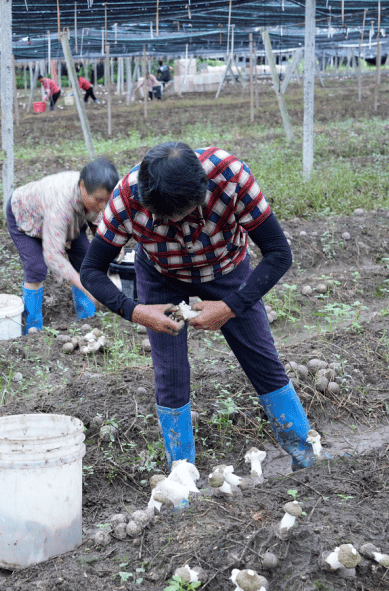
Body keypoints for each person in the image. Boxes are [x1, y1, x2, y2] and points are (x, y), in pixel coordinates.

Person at [80, 142, 319, 471]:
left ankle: (306, 457)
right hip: (161, 277)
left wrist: (230, 306)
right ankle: (182, 476)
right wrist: (136, 311)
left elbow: (279, 252)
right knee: (170, 374)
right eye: (166, 219)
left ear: (201, 192)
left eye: (184, 215)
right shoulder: (126, 198)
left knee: (262, 359)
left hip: (225, 271)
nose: (177, 225)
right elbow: (91, 271)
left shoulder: (231, 180)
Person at [8, 158, 119, 334]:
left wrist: (110, 259)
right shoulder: (60, 204)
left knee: (85, 260)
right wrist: (86, 287)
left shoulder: (96, 195)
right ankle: (33, 329)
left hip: (71, 221)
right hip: (28, 217)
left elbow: (101, 227)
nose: (103, 206)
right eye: (98, 200)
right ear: (82, 186)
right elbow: (53, 256)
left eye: (106, 200)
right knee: (36, 268)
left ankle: (88, 319)